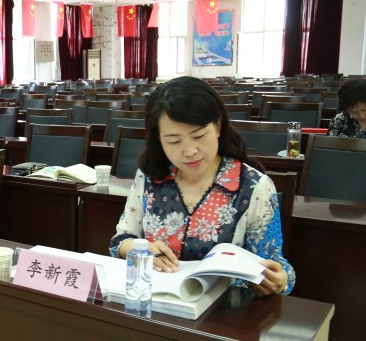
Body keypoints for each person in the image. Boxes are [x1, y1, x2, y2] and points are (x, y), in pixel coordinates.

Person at [109, 76, 295, 297]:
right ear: (159, 138)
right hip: (156, 303)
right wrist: (139, 249)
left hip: (222, 310)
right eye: (174, 141)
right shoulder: (149, 177)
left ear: (217, 127)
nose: (190, 151)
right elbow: (120, 241)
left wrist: (278, 279)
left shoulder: (254, 186)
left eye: (198, 136)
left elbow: (275, 264)